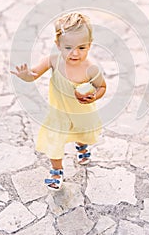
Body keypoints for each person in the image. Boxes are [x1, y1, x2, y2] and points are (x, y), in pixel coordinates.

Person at [10, 12, 106, 191]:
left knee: (82, 132)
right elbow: (34, 74)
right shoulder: (53, 60)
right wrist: (26, 76)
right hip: (58, 112)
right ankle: (56, 171)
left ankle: (82, 145)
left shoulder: (91, 68)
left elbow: (102, 87)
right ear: (58, 45)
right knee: (54, 141)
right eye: (68, 47)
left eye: (82, 48)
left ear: (90, 45)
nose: (75, 53)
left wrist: (95, 95)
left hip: (81, 112)